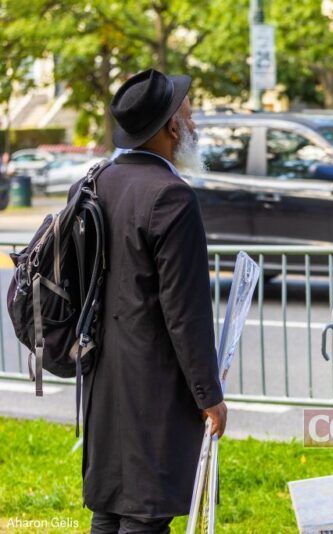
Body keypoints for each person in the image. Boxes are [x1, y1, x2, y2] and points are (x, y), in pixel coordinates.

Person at [70, 69, 227, 533]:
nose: (194, 125)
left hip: (103, 375)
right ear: (172, 127)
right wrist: (209, 395)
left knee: (110, 506)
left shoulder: (96, 181)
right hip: (154, 382)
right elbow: (185, 312)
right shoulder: (171, 197)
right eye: (188, 116)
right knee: (147, 512)